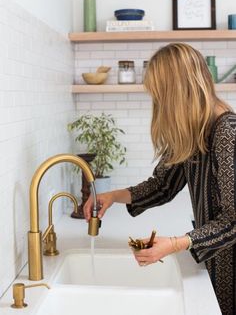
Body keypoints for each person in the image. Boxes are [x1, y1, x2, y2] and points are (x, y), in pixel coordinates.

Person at [84, 43, 236, 315]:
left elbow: (235, 220)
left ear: (179, 92)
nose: (158, 104)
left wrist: (176, 243)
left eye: (160, 95)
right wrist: (112, 196)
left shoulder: (227, 133)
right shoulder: (194, 131)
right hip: (216, 258)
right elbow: (163, 185)